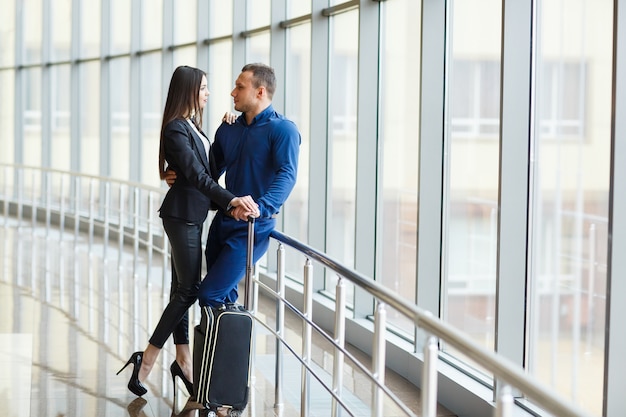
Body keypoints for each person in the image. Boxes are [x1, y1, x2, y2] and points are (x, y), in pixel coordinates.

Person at [117, 65, 259, 398]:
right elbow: (198, 177)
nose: (209, 93)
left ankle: (182, 361)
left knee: (180, 289)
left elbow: (208, 169)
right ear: (189, 90)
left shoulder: (193, 126)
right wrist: (231, 200)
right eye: (204, 87)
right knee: (189, 290)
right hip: (181, 216)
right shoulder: (175, 129)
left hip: (191, 215)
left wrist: (226, 131)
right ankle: (148, 358)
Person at [165, 62, 300, 307]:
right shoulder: (229, 129)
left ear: (260, 92)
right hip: (222, 222)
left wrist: (259, 208)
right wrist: (173, 172)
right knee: (223, 297)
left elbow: (287, 174)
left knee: (209, 294)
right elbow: (206, 170)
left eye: (240, 87)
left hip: (251, 228)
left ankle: (225, 344)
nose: (232, 92)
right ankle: (220, 346)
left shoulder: (283, 130)